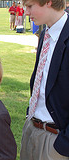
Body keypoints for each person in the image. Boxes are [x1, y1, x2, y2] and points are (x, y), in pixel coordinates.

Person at [20, 0, 69, 159]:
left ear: (48, 2)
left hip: (56, 140)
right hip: (32, 129)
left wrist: (63, 145)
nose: (26, 12)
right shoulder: (45, 34)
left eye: (30, 6)